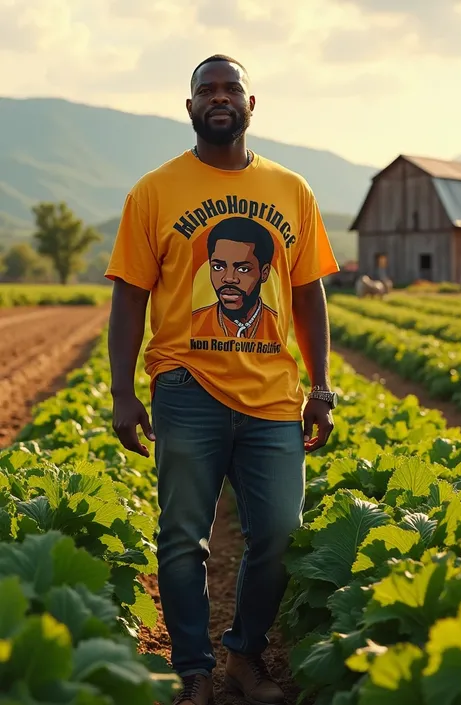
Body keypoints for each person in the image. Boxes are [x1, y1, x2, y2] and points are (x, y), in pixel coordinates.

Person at [105, 54, 339, 705]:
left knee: (280, 532)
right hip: (185, 387)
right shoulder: (154, 191)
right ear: (189, 108)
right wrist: (123, 391)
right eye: (205, 89)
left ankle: (243, 654)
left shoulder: (292, 189)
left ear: (250, 103)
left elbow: (310, 293)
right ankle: (193, 671)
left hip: (271, 396)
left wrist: (320, 386)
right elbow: (128, 297)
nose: (218, 97)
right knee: (182, 536)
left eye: (229, 87)